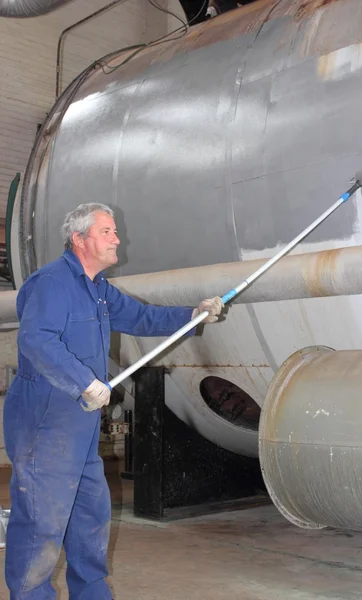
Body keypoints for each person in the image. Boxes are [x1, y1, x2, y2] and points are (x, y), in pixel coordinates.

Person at [3, 203, 223, 600]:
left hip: (81, 423)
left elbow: (140, 317)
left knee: (89, 516)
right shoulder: (51, 283)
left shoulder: (99, 290)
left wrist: (193, 316)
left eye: (114, 231)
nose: (117, 238)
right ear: (79, 239)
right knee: (41, 523)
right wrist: (84, 382)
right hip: (45, 420)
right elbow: (36, 340)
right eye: (107, 231)